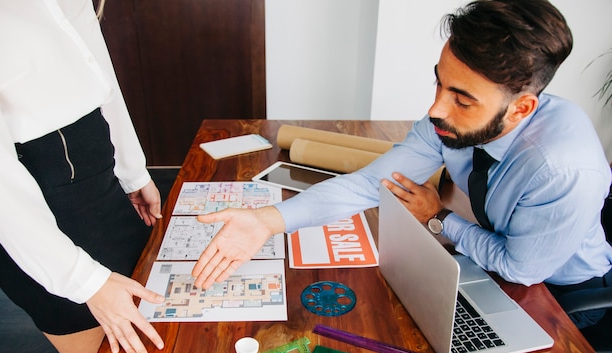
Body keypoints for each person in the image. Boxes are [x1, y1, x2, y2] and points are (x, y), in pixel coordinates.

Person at [191, 0, 612, 329]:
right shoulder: (449, 122)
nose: (436, 108)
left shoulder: (563, 170)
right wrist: (265, 220)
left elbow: (521, 269)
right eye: (439, 82)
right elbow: (367, 185)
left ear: (521, 108)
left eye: (462, 98)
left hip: (560, 295)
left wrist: (438, 216)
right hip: (493, 260)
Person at [0, 0, 165, 353]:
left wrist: (131, 171)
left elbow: (98, 68)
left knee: (135, 341)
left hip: (95, 171)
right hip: (31, 193)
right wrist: (84, 281)